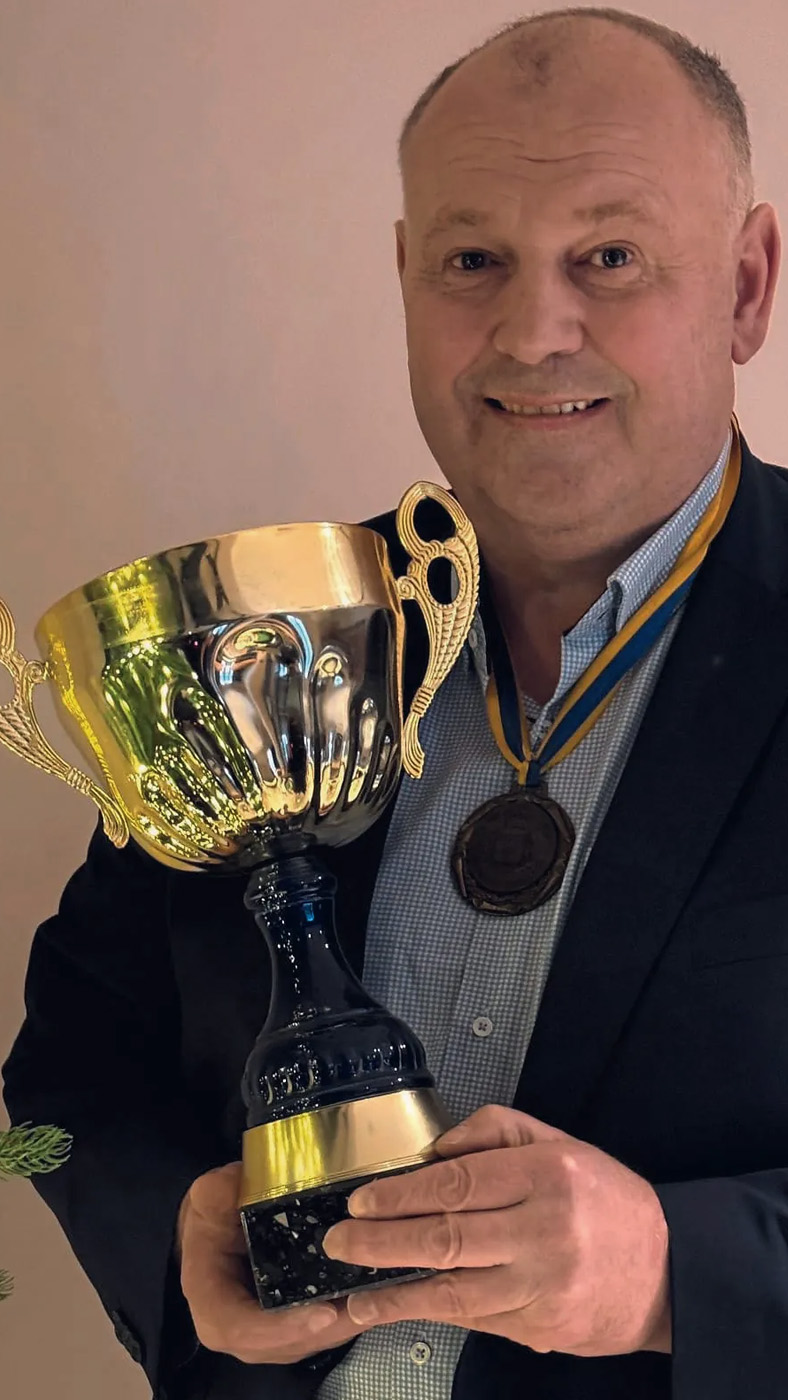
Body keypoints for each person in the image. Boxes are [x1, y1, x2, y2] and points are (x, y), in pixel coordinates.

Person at [3, 6, 788, 1398]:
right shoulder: (255, 638)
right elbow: (70, 1064)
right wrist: (172, 1238)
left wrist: (680, 1273)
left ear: (744, 286)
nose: (532, 333)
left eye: (609, 258)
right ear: (406, 277)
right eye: (472, 261)